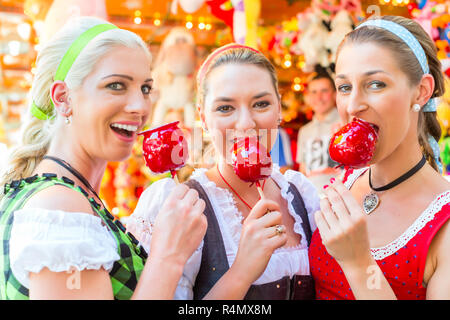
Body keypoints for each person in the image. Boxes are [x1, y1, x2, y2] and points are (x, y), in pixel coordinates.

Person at [0, 16, 207, 300]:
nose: (140, 107)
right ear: (63, 98)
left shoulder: (68, 195)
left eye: (145, 88)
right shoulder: (61, 208)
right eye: (116, 85)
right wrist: (169, 255)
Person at [127, 43, 320, 300]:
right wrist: (241, 272)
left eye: (261, 104)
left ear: (279, 109)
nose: (246, 124)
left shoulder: (303, 195)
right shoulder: (179, 206)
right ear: (203, 118)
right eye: (225, 108)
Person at [309, 15, 450, 300]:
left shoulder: (443, 224)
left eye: (376, 84)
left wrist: (359, 265)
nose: (353, 105)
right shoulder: (343, 183)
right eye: (345, 87)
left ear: (421, 91)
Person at [296, 72, 342, 191]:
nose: (319, 97)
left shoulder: (345, 124)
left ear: (334, 94)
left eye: (324, 91)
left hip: (340, 195)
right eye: (314, 92)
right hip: (313, 200)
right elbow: (303, 170)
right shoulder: (304, 131)